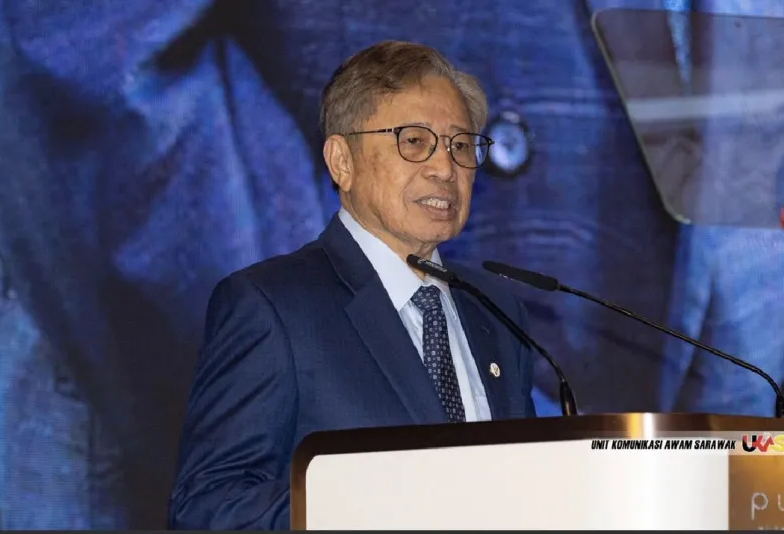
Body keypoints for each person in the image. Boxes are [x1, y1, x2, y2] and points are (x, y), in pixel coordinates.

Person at [167, 40, 538, 530]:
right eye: (414, 141)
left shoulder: (497, 311)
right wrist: (380, 503)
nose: (445, 168)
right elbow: (207, 508)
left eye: (461, 145)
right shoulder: (272, 307)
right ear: (342, 160)